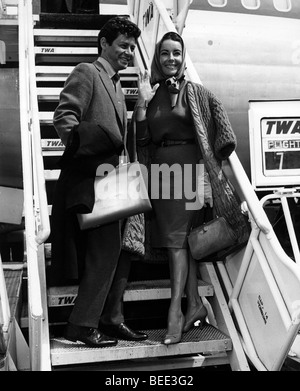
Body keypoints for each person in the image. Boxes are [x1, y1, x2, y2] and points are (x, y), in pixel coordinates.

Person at [134, 31, 249, 345]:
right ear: (157, 58)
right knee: (181, 242)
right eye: (165, 53)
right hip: (161, 172)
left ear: (183, 57)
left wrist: (216, 156)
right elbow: (141, 140)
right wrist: (142, 104)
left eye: (176, 53)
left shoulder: (196, 91)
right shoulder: (151, 93)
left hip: (190, 171)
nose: (171, 59)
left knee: (177, 244)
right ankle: (195, 303)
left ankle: (176, 311)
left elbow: (222, 127)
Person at [49, 17, 148, 348]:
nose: (128, 52)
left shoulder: (117, 83)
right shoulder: (87, 72)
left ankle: (110, 318)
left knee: (116, 253)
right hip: (91, 180)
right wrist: (90, 152)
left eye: (132, 48)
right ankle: (80, 325)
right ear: (103, 43)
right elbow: (64, 118)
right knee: (103, 253)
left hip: (113, 181)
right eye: (123, 45)